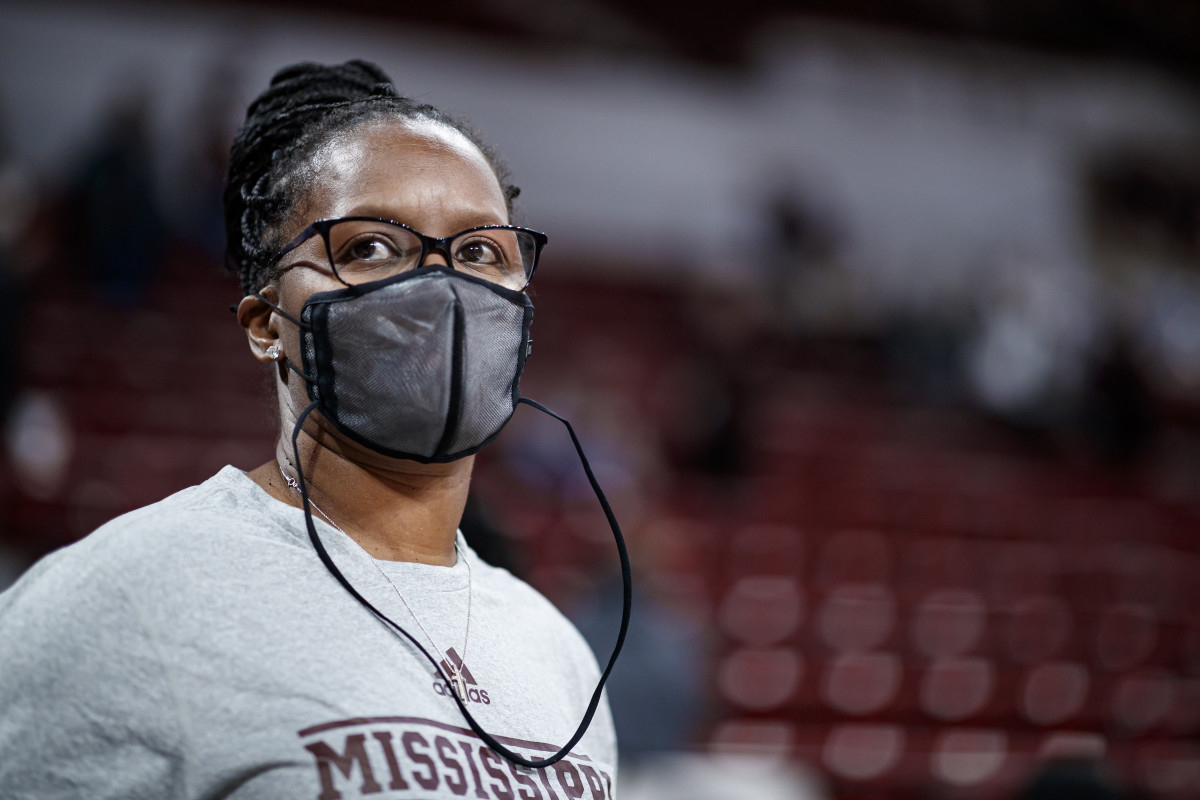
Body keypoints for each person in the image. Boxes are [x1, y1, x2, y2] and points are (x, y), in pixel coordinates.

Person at [0, 60, 621, 799]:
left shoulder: (558, 650)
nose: (441, 287)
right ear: (267, 325)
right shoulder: (120, 601)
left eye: (481, 252)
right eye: (370, 247)